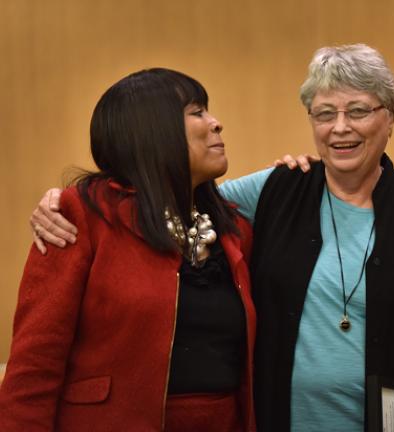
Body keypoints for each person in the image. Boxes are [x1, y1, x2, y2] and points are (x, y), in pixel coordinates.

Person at [28, 44, 394, 431]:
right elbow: (162, 201)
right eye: (323, 113)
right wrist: (64, 199)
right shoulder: (277, 189)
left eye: (358, 111)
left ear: (389, 117)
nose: (340, 127)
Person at [0, 68, 257, 431]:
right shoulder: (80, 216)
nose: (216, 124)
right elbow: (34, 366)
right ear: (153, 129)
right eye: (198, 112)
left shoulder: (234, 228)